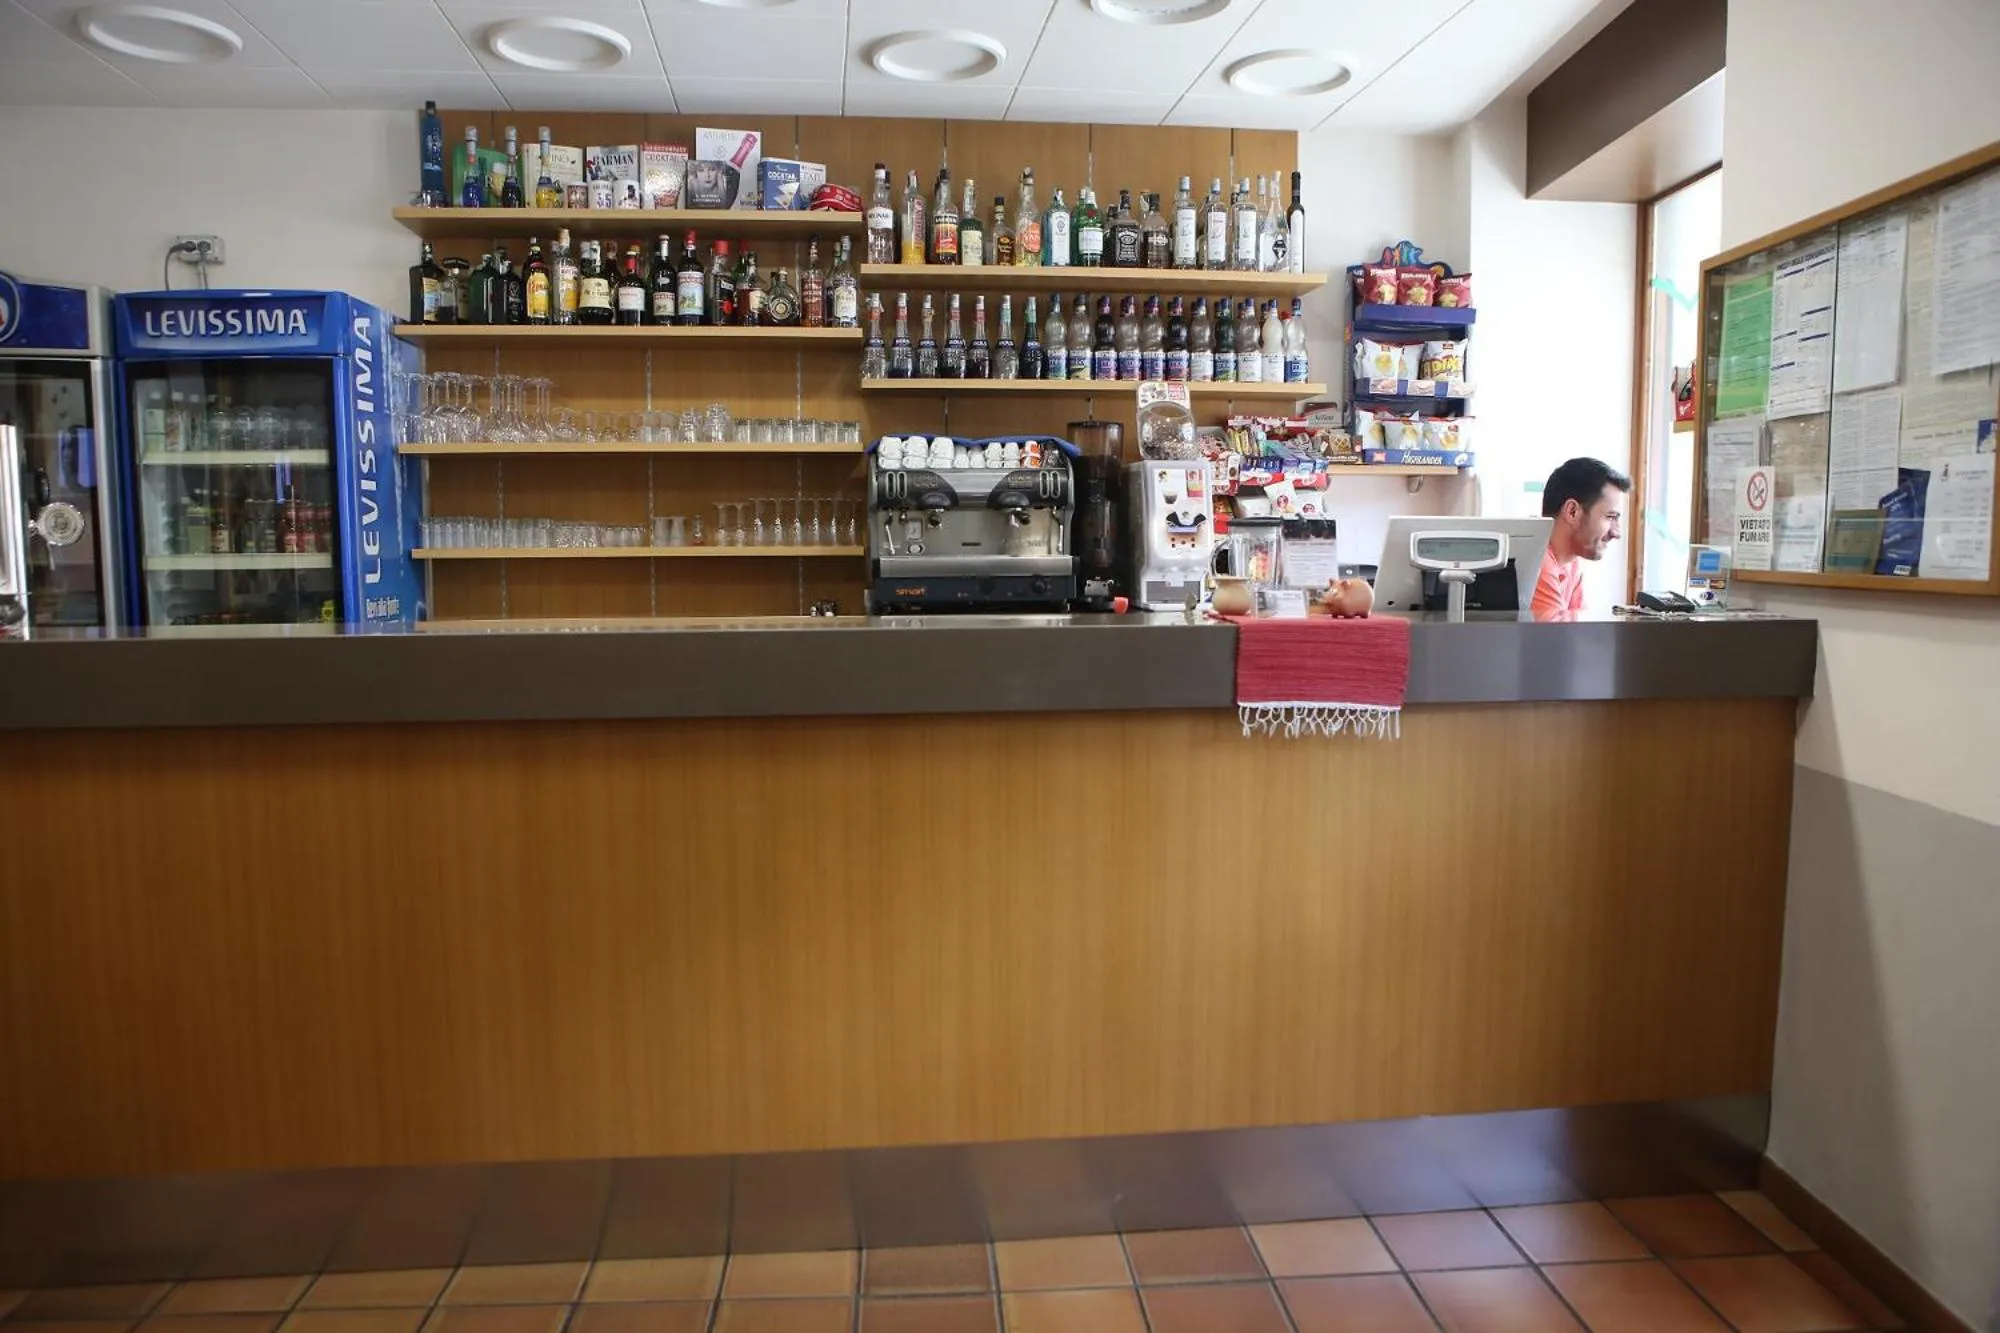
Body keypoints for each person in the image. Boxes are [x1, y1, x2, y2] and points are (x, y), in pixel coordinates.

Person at [1532, 458, 1629, 620]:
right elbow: (1555, 640)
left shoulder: (1571, 564)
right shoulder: (1538, 562)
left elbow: (1580, 633)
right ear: (1572, 512)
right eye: (1610, 516)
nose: (1616, 532)